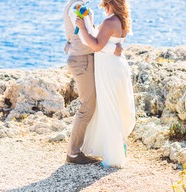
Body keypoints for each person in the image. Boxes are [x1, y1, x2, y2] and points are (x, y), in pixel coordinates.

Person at [75, 0, 136, 167]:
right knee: (114, 107)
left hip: (108, 68)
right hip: (117, 65)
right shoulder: (121, 20)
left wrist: (82, 28)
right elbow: (106, 43)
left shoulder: (110, 22)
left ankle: (114, 157)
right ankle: (116, 147)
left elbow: (95, 45)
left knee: (109, 108)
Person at [63, 0, 123, 164]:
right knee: (87, 106)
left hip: (86, 59)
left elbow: (87, 33)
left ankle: (87, 146)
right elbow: (84, 37)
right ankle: (73, 153)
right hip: (82, 60)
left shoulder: (77, 5)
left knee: (92, 104)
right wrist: (112, 49)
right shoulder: (77, 8)